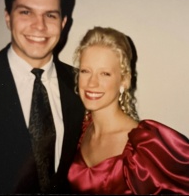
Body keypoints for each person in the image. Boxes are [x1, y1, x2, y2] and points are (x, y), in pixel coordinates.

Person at [0, 0, 84, 194]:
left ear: (63, 23)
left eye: (50, 15)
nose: (39, 26)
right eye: (26, 12)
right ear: (7, 17)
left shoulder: (82, 84)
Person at [68, 26, 189, 194]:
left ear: (124, 80)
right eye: (85, 71)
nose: (91, 83)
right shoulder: (78, 131)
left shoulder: (145, 145)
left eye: (105, 74)